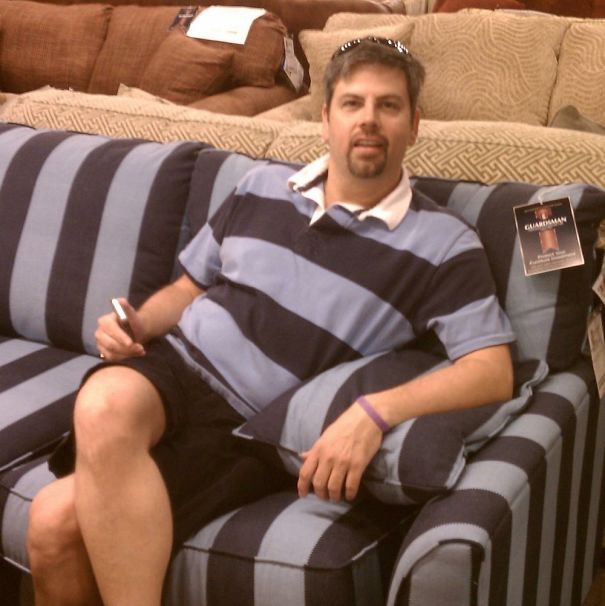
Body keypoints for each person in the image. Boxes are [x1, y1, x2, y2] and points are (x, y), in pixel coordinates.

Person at [26, 36, 515, 606]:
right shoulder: (261, 186)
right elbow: (188, 288)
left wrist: (375, 412)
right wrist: (138, 324)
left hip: (247, 426)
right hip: (173, 366)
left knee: (53, 523)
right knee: (103, 404)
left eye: (388, 105)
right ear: (325, 119)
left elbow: (492, 370)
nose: (369, 119)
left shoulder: (443, 244)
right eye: (352, 103)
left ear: (414, 125)